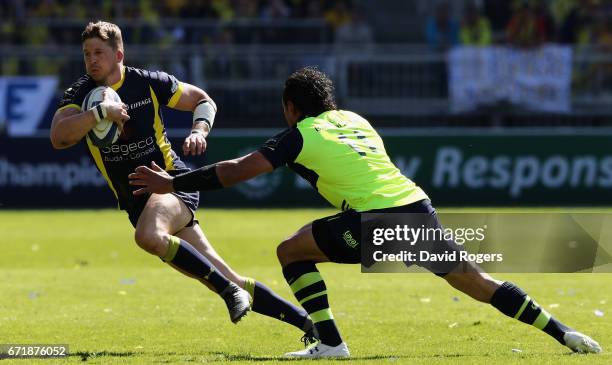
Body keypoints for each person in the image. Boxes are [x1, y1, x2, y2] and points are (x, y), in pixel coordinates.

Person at [128, 66, 602, 358]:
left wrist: (174, 182)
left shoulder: (299, 134)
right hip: (418, 207)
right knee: (476, 282)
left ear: (291, 107)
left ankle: (331, 343)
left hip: (376, 221)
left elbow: (235, 171)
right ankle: (564, 334)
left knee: (291, 251)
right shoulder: (354, 119)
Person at [50, 21, 317, 343]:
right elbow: (58, 137)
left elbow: (203, 101)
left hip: (170, 183)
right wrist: (99, 114)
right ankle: (312, 328)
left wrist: (198, 130)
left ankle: (229, 291)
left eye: (99, 53)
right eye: (86, 54)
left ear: (118, 54)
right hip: (137, 202)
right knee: (222, 273)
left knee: (148, 236)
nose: (92, 60)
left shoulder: (147, 82)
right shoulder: (79, 94)